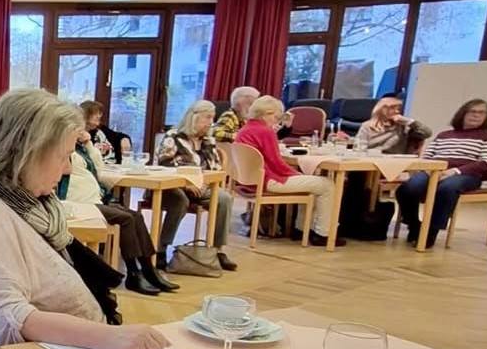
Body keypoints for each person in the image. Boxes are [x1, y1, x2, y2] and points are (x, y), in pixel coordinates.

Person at [0, 88, 170, 349]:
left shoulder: (10, 194)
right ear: (27, 153)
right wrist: (109, 337)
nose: (67, 168)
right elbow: (8, 319)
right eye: (63, 156)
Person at [58, 127, 178, 295]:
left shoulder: (80, 149)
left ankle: (149, 269)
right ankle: (133, 274)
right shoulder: (62, 149)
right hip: (79, 203)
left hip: (94, 199)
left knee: (136, 216)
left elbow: (99, 167)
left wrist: (88, 143)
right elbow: (66, 171)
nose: (80, 130)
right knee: (125, 218)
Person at [235, 96, 344, 247]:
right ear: (267, 114)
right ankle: (323, 233)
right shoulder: (265, 131)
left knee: (312, 184)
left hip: (250, 180)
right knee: (327, 185)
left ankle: (301, 229)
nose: (277, 122)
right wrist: (298, 175)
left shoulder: (245, 129)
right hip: (268, 180)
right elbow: (277, 163)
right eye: (276, 117)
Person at [395, 99, 487, 248]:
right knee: (407, 189)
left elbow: (485, 162)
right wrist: (424, 170)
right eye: (473, 111)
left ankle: (431, 231)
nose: (477, 115)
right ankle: (415, 226)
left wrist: (454, 171)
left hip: (466, 174)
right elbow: (427, 157)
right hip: (434, 170)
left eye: (482, 113)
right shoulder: (444, 135)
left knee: (447, 188)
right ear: (463, 113)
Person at [156, 99, 238, 271]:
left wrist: (203, 182)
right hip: (172, 186)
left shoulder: (208, 140)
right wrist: (186, 182)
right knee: (180, 201)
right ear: (193, 117)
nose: (210, 122)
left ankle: (216, 250)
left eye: (212, 118)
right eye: (207, 117)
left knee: (224, 198)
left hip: (201, 187)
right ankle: (161, 248)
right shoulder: (174, 136)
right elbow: (163, 163)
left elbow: (214, 168)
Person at [356, 96, 431, 154]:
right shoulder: (367, 126)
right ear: (382, 109)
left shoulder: (402, 126)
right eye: (393, 108)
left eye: (398, 109)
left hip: (396, 161)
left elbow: (427, 133)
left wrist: (409, 121)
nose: (397, 111)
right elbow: (360, 148)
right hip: (372, 159)